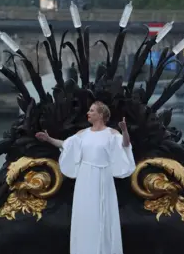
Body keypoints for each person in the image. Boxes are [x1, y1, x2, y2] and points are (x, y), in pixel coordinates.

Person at [35, 101, 135, 254]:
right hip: (85, 177)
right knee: (85, 215)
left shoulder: (112, 133)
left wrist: (125, 130)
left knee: (103, 214)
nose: (88, 112)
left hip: (103, 176)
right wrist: (49, 139)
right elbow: (66, 145)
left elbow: (125, 145)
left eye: (92, 110)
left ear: (100, 115)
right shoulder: (83, 133)